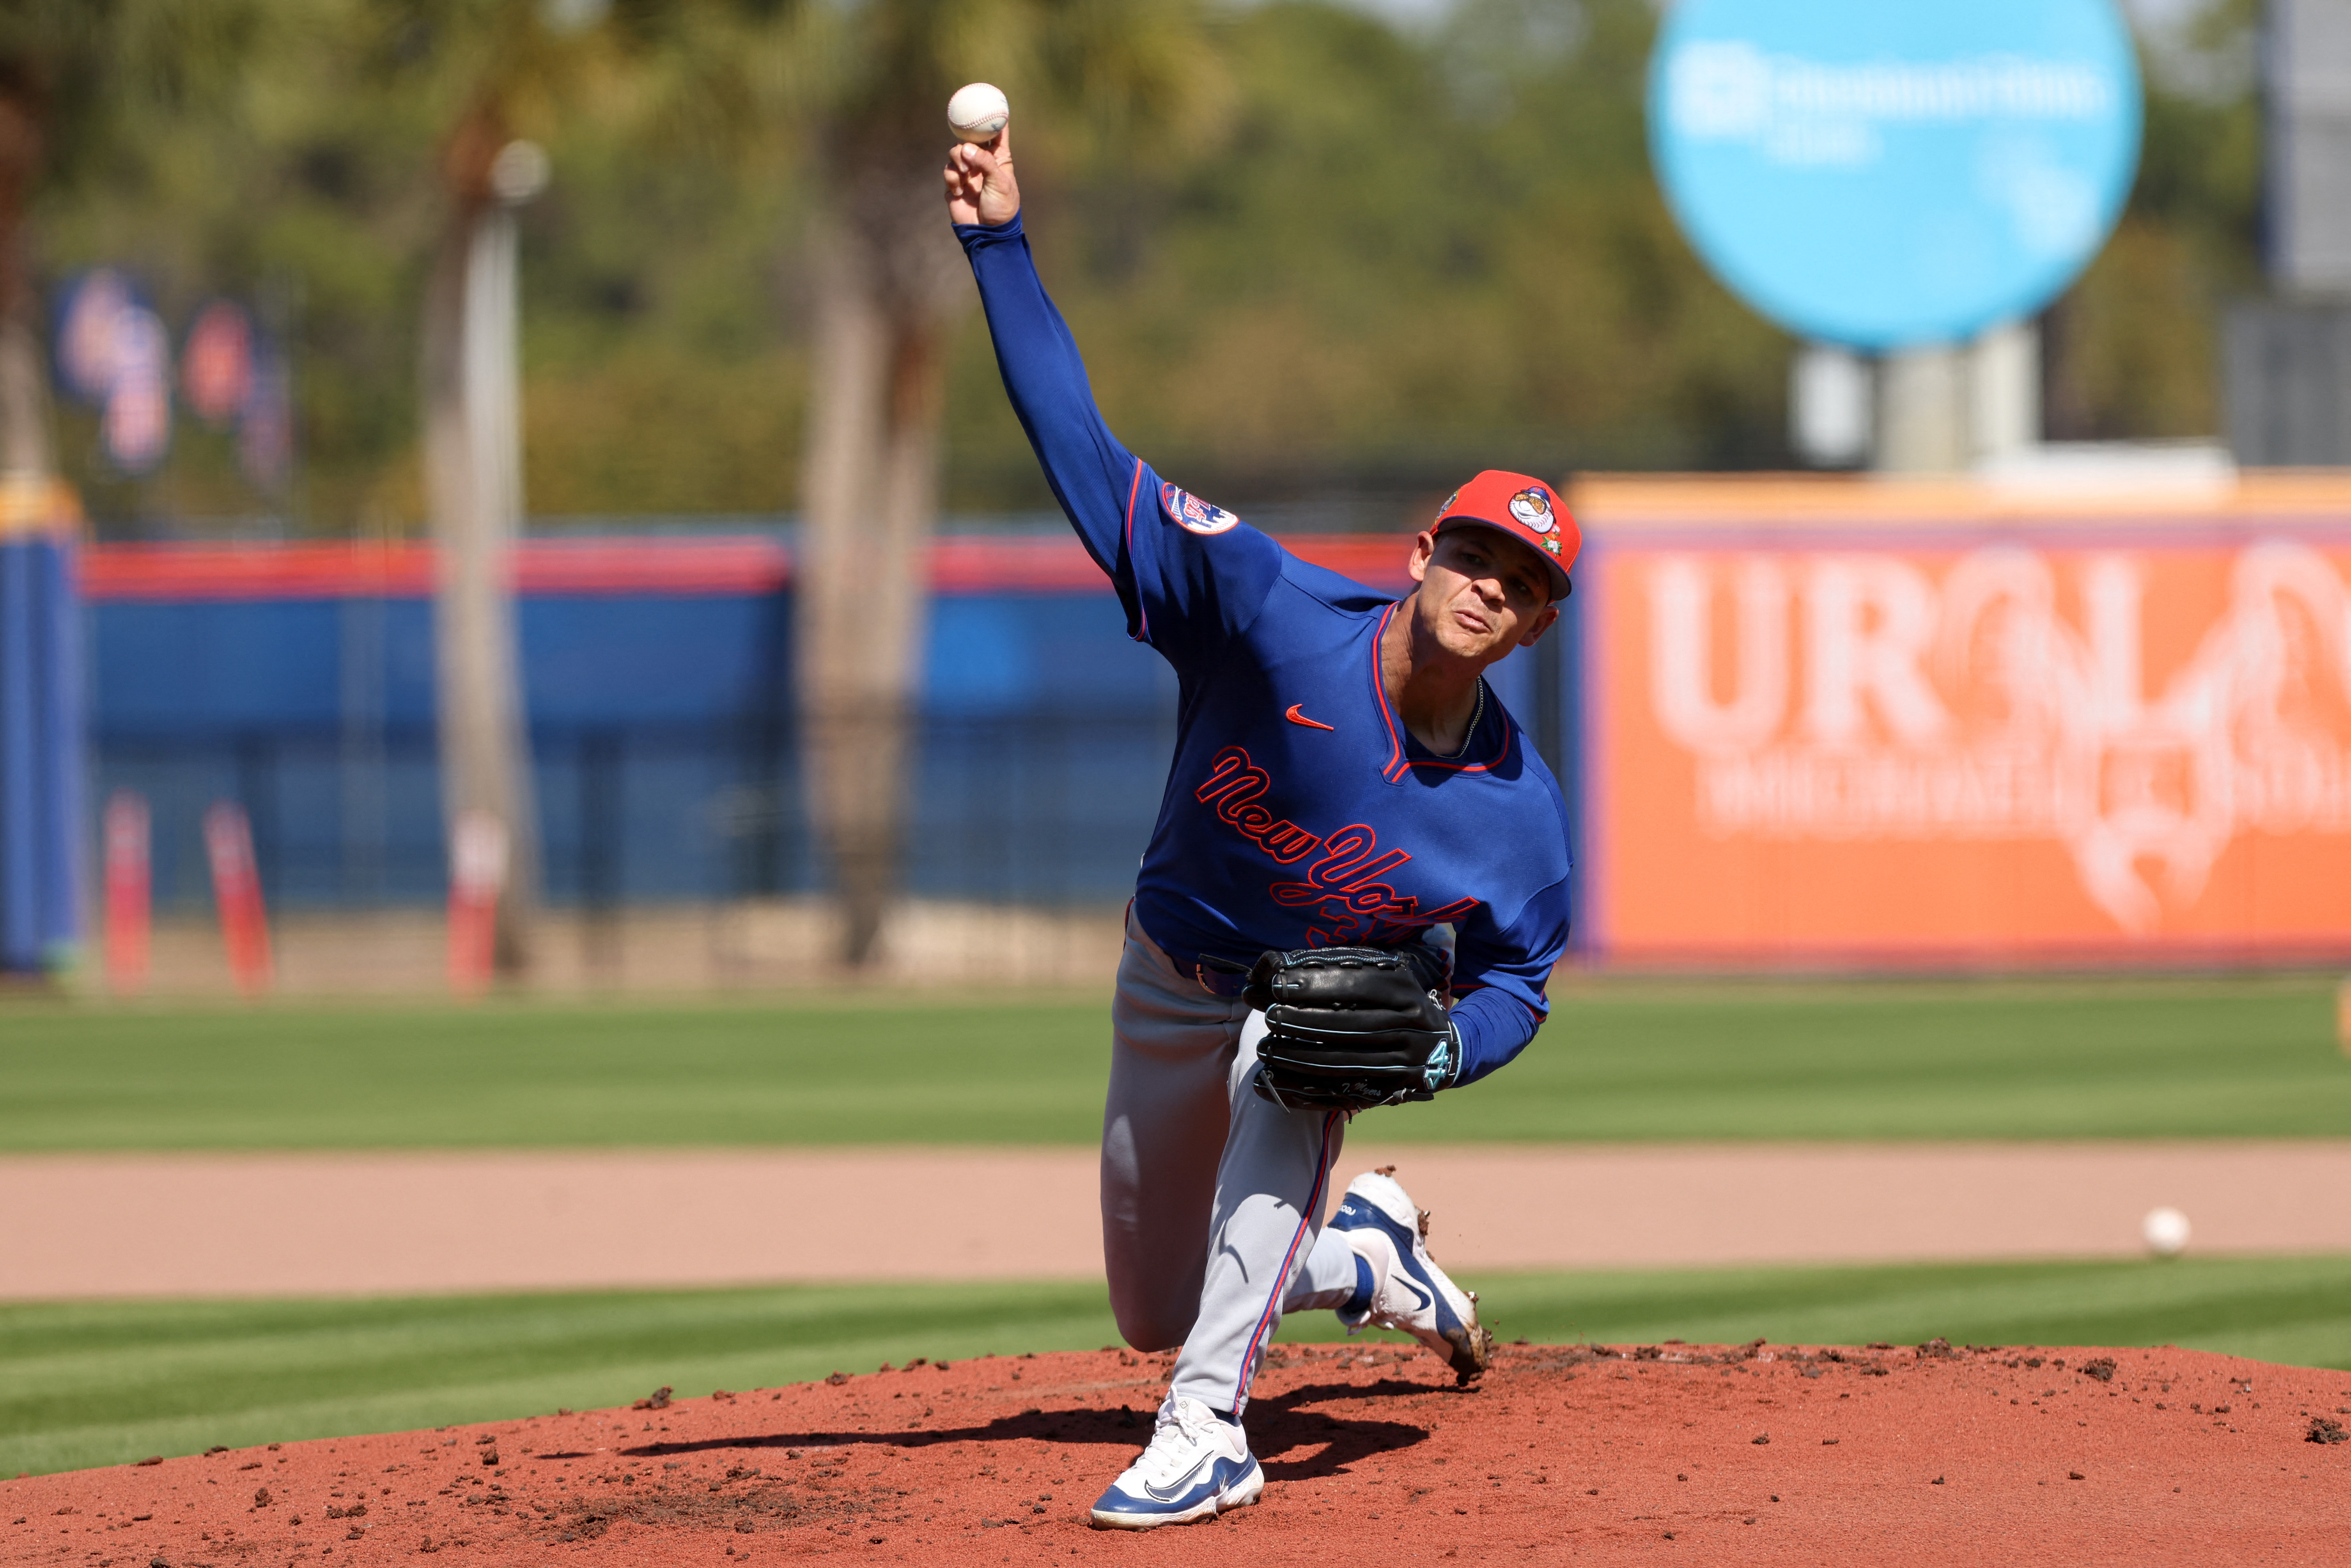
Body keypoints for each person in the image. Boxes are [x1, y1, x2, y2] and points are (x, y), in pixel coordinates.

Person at [944, 120, 1577, 1531]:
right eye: (1471, 552)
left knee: (1313, 1048)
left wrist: (1437, 1042)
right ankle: (1365, 1259)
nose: (1486, 585)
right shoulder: (1270, 616)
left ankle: (1209, 1429)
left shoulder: (1518, 817)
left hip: (1291, 1019)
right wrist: (998, 245)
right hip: (1168, 976)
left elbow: (1521, 981)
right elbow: (1083, 452)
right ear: (1422, 554)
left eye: (1519, 581)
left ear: (1536, 624)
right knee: (1149, 1304)